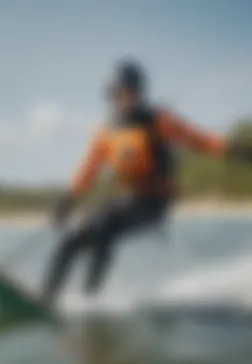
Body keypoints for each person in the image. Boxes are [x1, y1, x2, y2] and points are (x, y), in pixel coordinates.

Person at [41, 59, 252, 305]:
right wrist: (67, 200)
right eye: (119, 93)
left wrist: (236, 150)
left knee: (103, 228)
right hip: (125, 200)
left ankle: (89, 298)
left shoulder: (159, 122)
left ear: (140, 93)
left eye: (130, 92)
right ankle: (46, 298)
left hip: (154, 202)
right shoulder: (105, 132)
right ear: (111, 95)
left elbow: (199, 140)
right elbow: (88, 170)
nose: (124, 98)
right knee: (72, 238)